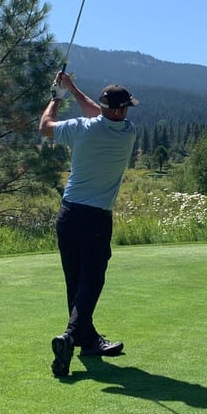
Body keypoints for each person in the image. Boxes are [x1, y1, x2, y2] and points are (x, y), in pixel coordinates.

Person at [39, 71, 139, 378]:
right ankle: (70, 336)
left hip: (68, 215)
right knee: (92, 280)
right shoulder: (128, 132)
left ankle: (87, 339)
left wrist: (57, 97)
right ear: (123, 109)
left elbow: (45, 127)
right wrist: (71, 89)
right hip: (96, 218)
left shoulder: (81, 129)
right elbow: (104, 114)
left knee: (76, 281)